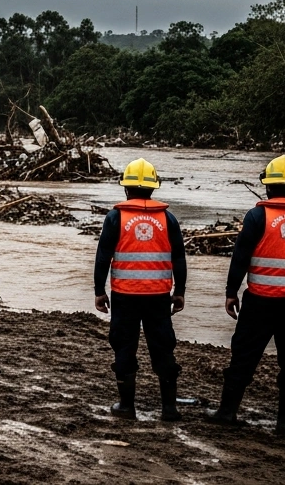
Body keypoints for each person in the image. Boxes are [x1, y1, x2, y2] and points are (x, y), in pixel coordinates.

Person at [206, 155, 285, 437]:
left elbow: (240, 258)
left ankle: (227, 412)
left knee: (243, 358)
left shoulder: (257, 216)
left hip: (259, 302)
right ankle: (284, 425)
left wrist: (230, 292)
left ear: (268, 187)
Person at [94, 159, 187, 422]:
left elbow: (103, 257)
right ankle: (169, 409)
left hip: (125, 296)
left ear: (126, 189)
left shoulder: (115, 217)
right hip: (159, 297)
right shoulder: (168, 219)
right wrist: (179, 291)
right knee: (163, 348)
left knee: (124, 347)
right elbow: (179, 258)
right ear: (153, 188)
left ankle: (126, 407)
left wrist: (99, 291)